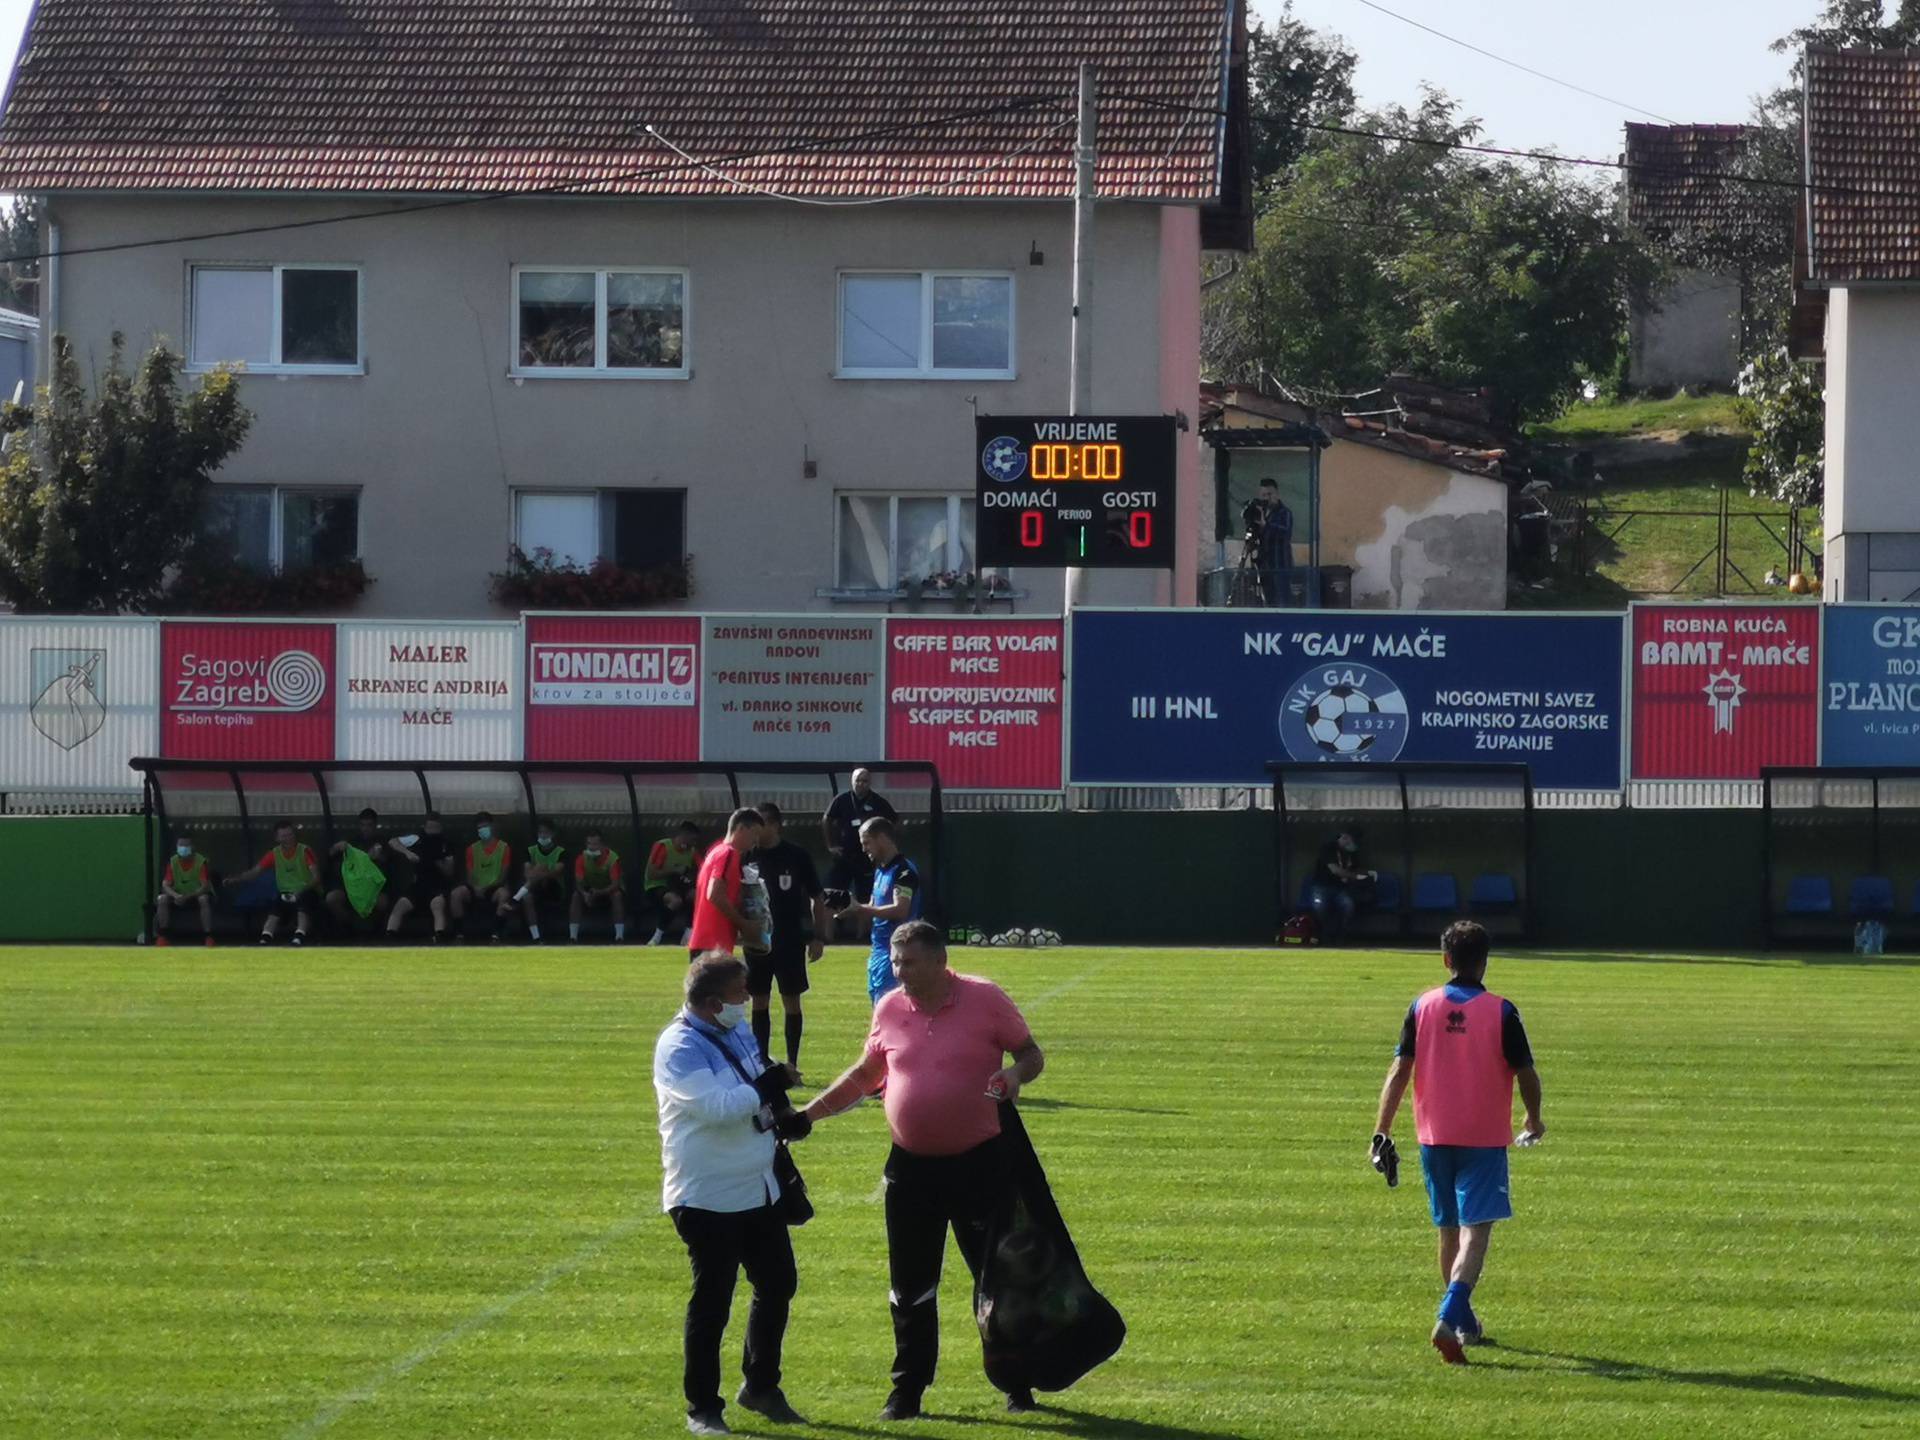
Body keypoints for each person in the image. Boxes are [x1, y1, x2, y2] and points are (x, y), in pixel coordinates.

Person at [804, 920, 1045, 1420]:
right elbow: (869, 1072)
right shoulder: (889, 1006)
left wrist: (1015, 1074)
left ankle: (1018, 1383)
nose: (899, 972)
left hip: (980, 1164)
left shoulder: (985, 997)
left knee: (997, 1277)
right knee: (910, 1284)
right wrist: (808, 1114)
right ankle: (908, 1390)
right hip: (911, 1171)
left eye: (909, 962)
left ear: (940, 961)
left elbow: (1030, 1053)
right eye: (895, 962)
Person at [1371, 920, 1545, 1366]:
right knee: (1477, 1231)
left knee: (1448, 1229)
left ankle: (1465, 1324)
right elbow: (1526, 1072)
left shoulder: (1422, 1005)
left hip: (1433, 1135)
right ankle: (1449, 1314)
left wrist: (1383, 1128)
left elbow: (1399, 1070)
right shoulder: (1503, 1011)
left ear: (1446, 959)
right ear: (1485, 961)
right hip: (1483, 1138)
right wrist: (1534, 1117)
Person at [654, 952, 812, 1436]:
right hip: (707, 1196)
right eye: (739, 994)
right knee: (712, 1302)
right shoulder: (679, 1046)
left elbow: (754, 1071)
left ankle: (761, 1385)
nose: (747, 1001)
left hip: (757, 1187)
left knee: (778, 1283)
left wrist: (783, 1111)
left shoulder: (734, 1029)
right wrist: (768, 1084)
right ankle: (702, 1407)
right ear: (708, 1002)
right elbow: (718, 1107)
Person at [745, 803, 828, 1069]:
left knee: (791, 999)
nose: (756, 831)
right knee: (759, 998)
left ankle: (792, 1063)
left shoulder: (796, 855)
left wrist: (818, 936)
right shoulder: (747, 857)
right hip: (757, 940)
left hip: (790, 939)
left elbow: (817, 896)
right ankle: (762, 1061)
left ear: (775, 824)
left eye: (762, 824)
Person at [830, 817, 921, 1005]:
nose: (864, 849)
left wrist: (860, 908)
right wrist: (851, 908)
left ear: (882, 838)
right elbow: (872, 905)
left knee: (891, 1012)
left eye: (866, 843)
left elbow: (900, 910)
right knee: (879, 1010)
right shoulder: (880, 870)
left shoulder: (904, 871)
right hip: (878, 951)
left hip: (895, 953)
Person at [821, 768, 896, 942]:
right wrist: (831, 845)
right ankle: (827, 937)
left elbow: (894, 822)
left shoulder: (878, 802)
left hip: (867, 860)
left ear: (870, 783)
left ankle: (862, 938)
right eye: (858, 780)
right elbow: (826, 819)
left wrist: (883, 848)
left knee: (867, 897)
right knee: (829, 895)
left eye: (865, 781)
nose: (861, 784)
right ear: (852, 781)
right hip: (844, 856)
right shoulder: (842, 800)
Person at [223, 821, 321, 946]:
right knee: (275, 910)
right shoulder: (274, 854)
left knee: (303, 903)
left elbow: (316, 878)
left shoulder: (305, 851)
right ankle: (265, 938)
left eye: (290, 835)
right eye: (284, 836)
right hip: (285, 893)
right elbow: (255, 872)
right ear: (277, 838)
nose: (288, 839)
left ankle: (299, 936)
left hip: (307, 890)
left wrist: (299, 892)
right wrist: (236, 879)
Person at [689, 808, 765, 961]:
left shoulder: (716, 851)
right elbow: (715, 894)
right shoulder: (729, 853)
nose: (756, 840)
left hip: (705, 941)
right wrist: (744, 924)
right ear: (741, 828)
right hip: (713, 943)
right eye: (755, 833)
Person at [387, 812, 456, 943]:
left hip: (436, 886)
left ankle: (439, 936)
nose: (432, 831)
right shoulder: (416, 838)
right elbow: (393, 842)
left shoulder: (445, 844)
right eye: (429, 828)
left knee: (438, 904)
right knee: (400, 905)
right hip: (418, 885)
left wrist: (437, 861)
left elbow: (450, 872)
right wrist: (407, 853)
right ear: (424, 827)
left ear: (440, 828)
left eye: (435, 828)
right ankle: (390, 937)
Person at [451, 811, 514, 942]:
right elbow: (469, 875)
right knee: (456, 894)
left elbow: (503, 875)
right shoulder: (471, 849)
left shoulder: (504, 847)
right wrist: (475, 888)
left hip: (494, 888)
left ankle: (496, 934)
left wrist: (487, 887)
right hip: (475, 888)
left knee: (504, 894)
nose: (482, 830)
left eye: (485, 826)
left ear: (492, 826)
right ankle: (459, 933)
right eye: (479, 828)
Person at [326, 808, 393, 931]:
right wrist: (336, 847)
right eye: (362, 825)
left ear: (375, 825)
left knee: (383, 902)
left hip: (372, 889)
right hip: (351, 888)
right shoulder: (352, 841)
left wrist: (377, 856)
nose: (365, 828)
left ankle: (377, 930)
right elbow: (330, 855)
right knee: (332, 898)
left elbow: (387, 860)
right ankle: (348, 927)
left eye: (369, 825)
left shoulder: (382, 841)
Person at [1310, 831, 1377, 941]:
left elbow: (1355, 869)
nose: (1353, 845)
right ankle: (1323, 934)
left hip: (1339, 888)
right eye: (1352, 841)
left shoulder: (1351, 853)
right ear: (1345, 838)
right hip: (1321, 887)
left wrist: (1367, 874)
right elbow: (1335, 870)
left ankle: (1341, 935)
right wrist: (1356, 877)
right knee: (1320, 907)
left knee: (1348, 905)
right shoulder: (1328, 848)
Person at [646, 820, 705, 946]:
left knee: (697, 895)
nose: (693, 844)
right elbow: (652, 874)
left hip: (679, 886)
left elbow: (704, 868)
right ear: (684, 836)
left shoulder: (692, 851)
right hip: (658, 885)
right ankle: (656, 938)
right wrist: (674, 870)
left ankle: (688, 936)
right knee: (675, 901)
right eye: (692, 840)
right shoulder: (663, 846)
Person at [154, 833, 215, 947]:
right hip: (178, 895)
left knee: (204, 899)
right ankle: (163, 936)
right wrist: (176, 895)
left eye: (186, 845)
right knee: (161, 899)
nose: (183, 848)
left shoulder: (201, 861)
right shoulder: (173, 861)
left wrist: (188, 896)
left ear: (192, 847)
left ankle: (208, 936)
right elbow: (165, 884)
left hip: (196, 894)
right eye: (180, 845)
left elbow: (204, 886)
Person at [513, 820, 568, 943]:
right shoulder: (530, 850)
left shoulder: (561, 851)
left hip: (553, 888)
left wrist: (540, 872)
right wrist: (536, 875)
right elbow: (527, 873)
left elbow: (557, 872)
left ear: (552, 834)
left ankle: (515, 899)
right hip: (534, 886)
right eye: (540, 832)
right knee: (527, 898)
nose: (543, 835)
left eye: (546, 833)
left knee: (541, 867)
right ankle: (536, 937)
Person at [570, 830, 626, 942]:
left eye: (595, 844)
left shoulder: (613, 858)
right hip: (590, 892)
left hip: (608, 891)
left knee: (617, 896)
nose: (591, 847)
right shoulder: (582, 858)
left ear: (602, 845)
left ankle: (619, 936)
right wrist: (584, 894)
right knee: (576, 896)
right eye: (589, 844)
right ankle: (573, 937)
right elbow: (578, 882)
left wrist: (599, 892)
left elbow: (615, 884)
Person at [1252, 477, 1295, 607]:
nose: (1267, 498)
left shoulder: (1285, 513)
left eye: (1270, 494)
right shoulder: (1263, 514)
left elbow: (1285, 532)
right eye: (1264, 495)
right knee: (1268, 603)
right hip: (1265, 567)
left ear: (1277, 494)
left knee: (1282, 603)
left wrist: (1266, 525)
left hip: (1280, 566)